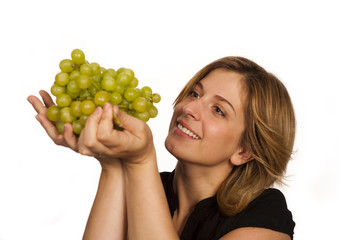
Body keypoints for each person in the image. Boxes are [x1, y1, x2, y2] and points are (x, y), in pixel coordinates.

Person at [28, 56, 296, 240]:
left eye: (218, 110)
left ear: (244, 151)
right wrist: (112, 164)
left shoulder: (264, 214)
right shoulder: (147, 187)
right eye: (195, 93)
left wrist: (140, 161)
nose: (188, 108)